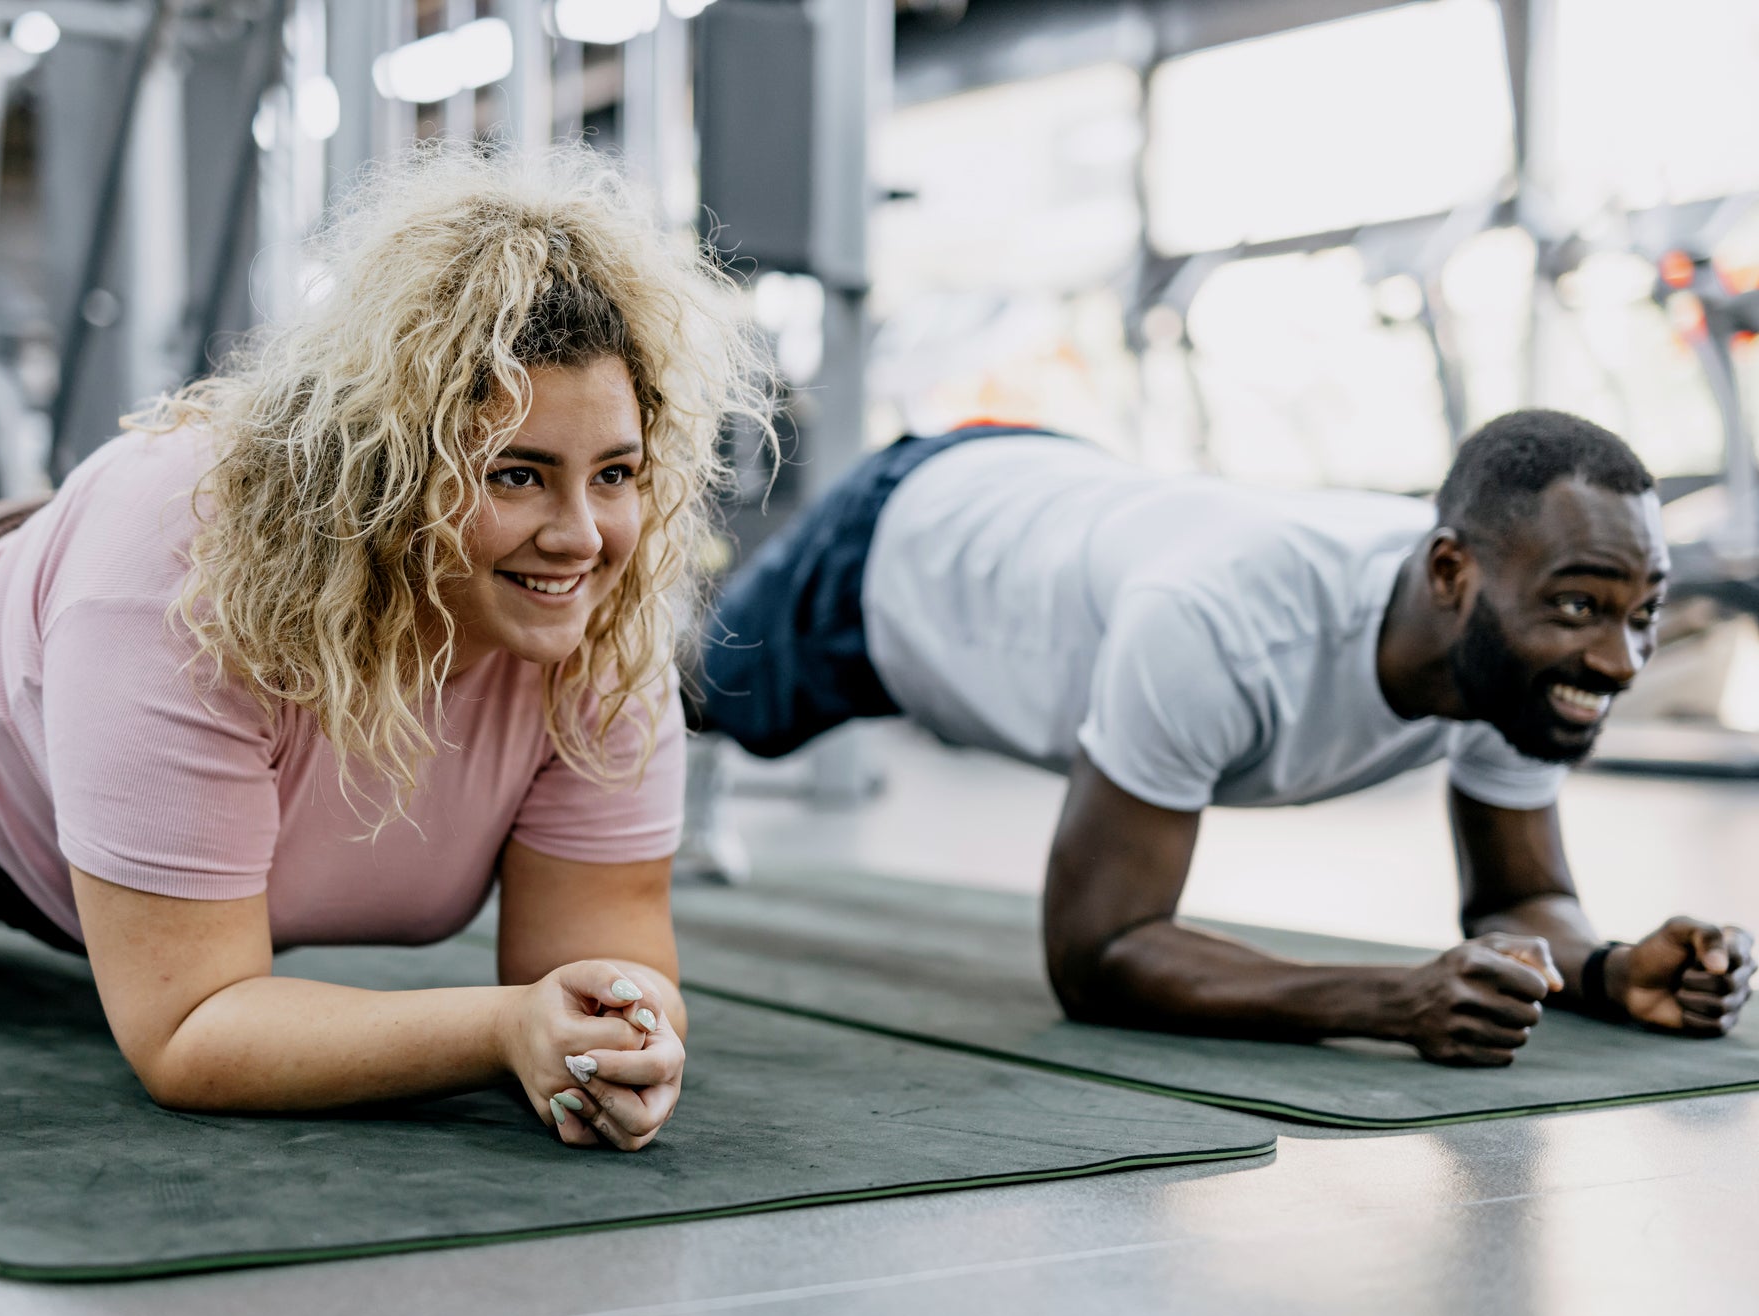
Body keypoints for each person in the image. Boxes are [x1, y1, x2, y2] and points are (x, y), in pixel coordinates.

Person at [0, 144, 769, 1147]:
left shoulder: (596, 618)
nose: (582, 535)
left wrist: (618, 1039)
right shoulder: (176, 592)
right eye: (515, 474)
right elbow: (187, 1028)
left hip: (90, 606)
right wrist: (502, 1031)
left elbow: (602, 953)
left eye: (614, 473)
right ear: (388, 469)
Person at [694, 411, 1754, 1064]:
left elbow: (1518, 900)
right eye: (1581, 609)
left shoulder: (1516, 656)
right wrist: (1391, 1000)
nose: (1620, 660)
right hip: (910, 537)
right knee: (693, 694)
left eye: (1643, 612)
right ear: (1449, 575)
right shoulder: (1219, 623)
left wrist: (1609, 971)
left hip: (1064, 492)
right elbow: (1097, 954)